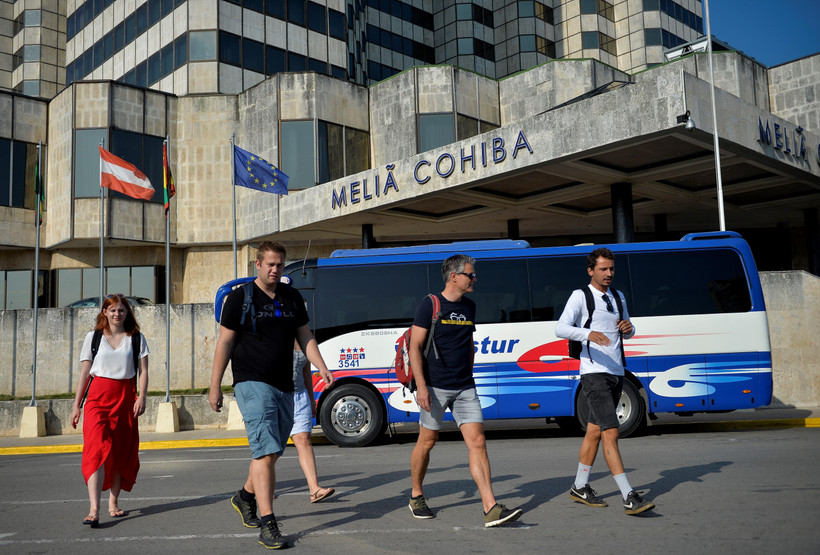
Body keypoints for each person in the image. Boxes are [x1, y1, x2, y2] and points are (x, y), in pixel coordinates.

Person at [209, 241, 334, 550]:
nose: (275, 270)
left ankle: (245, 496)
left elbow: (304, 336)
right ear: (257, 265)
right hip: (252, 382)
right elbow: (224, 343)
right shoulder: (240, 299)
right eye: (270, 264)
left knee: (274, 450)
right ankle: (268, 523)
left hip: (285, 384)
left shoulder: (292, 297)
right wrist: (215, 386)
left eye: (279, 264)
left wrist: (321, 366)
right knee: (265, 453)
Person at [408, 254, 523, 528]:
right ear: (454, 276)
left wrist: (469, 376)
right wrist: (421, 387)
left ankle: (490, 507)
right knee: (427, 442)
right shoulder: (430, 304)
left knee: (478, 442)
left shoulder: (469, 307)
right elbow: (414, 346)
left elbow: (468, 344)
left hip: (464, 387)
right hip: (434, 386)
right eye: (470, 275)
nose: (474, 279)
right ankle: (416, 495)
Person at [555, 247, 655, 515]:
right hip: (593, 372)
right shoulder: (581, 296)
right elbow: (560, 328)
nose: (609, 273)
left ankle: (579, 486)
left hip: (616, 372)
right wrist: (589, 334)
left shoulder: (619, 296)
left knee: (594, 430)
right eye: (603, 269)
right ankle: (629, 496)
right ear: (591, 271)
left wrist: (628, 329)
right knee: (611, 432)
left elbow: (630, 331)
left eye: (611, 269)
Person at [70, 294, 149, 528]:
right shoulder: (93, 338)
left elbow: (143, 371)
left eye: (121, 310)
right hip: (97, 398)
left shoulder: (136, 338)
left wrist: (141, 397)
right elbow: (85, 373)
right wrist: (77, 405)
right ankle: (94, 509)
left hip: (125, 398)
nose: (117, 314)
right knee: (95, 449)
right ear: (104, 312)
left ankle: (113, 503)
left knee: (121, 451)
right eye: (112, 310)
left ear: (127, 313)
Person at [289, 340, 335, 503]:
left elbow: (306, 372)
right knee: (272, 448)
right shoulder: (276, 333)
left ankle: (314, 489)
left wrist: (311, 400)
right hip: (276, 396)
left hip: (299, 395)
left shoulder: (304, 339)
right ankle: (258, 487)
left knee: (304, 440)